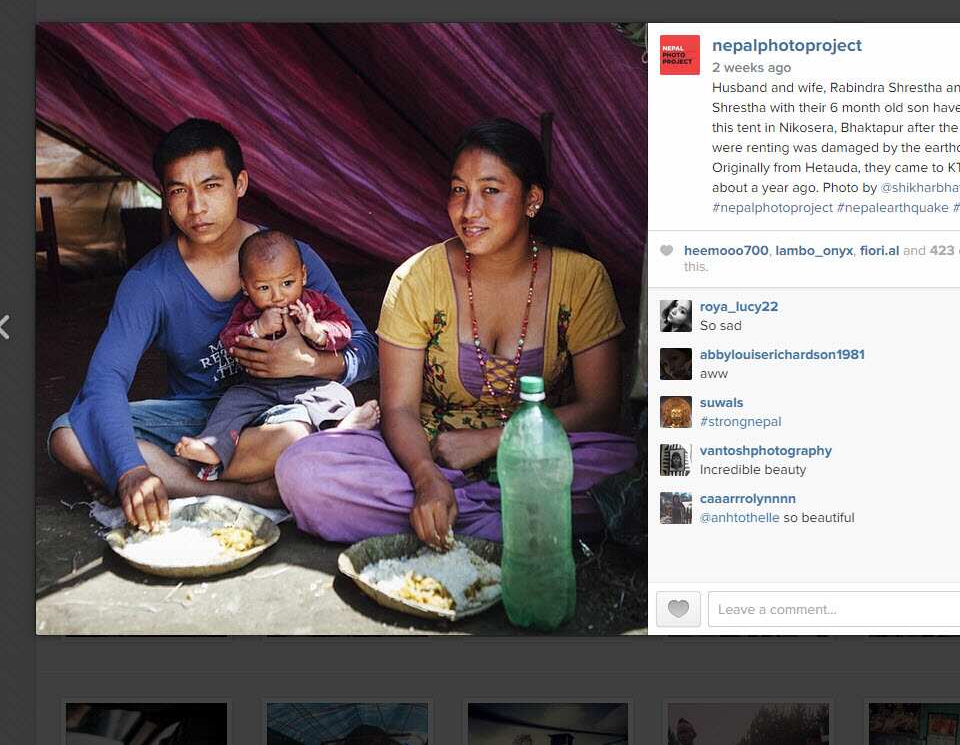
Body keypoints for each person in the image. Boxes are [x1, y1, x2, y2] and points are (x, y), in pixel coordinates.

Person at [276, 118, 638, 549]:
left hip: (535, 458)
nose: (469, 211)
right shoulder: (417, 278)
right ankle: (512, 525)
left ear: (532, 200)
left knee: (629, 462)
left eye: (490, 190)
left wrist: (492, 441)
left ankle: (448, 524)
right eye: (458, 190)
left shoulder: (581, 278)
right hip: (428, 456)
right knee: (303, 469)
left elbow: (599, 408)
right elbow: (399, 409)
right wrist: (427, 480)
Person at [47, 118, 378, 531]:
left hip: (283, 413)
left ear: (239, 184)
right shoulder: (150, 281)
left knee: (291, 436)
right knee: (68, 435)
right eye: (179, 192)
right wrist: (131, 470)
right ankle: (249, 492)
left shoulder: (288, 259)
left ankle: (174, 480)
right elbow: (105, 379)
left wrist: (308, 363)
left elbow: (367, 350)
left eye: (211, 186)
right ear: (165, 199)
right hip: (200, 423)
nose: (196, 207)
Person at [174, 230, 380, 476]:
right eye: (263, 287)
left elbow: (344, 328)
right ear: (245, 286)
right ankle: (212, 445)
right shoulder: (248, 312)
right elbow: (229, 340)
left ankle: (342, 428)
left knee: (339, 396)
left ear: (303, 275)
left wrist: (318, 332)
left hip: (310, 384)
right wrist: (257, 327)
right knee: (230, 404)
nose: (277, 296)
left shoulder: (315, 303)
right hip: (258, 388)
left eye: (287, 283)